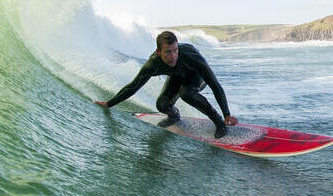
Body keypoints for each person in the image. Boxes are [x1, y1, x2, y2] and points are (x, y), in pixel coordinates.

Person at [95, 31, 238, 138]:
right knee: (162, 104)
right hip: (177, 77)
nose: (173, 56)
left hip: (197, 78)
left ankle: (219, 122)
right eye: (168, 52)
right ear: (158, 52)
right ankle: (174, 116)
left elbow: (215, 84)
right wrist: (109, 104)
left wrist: (226, 114)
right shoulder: (153, 64)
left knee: (186, 94)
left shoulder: (190, 55)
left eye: (175, 50)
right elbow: (133, 86)